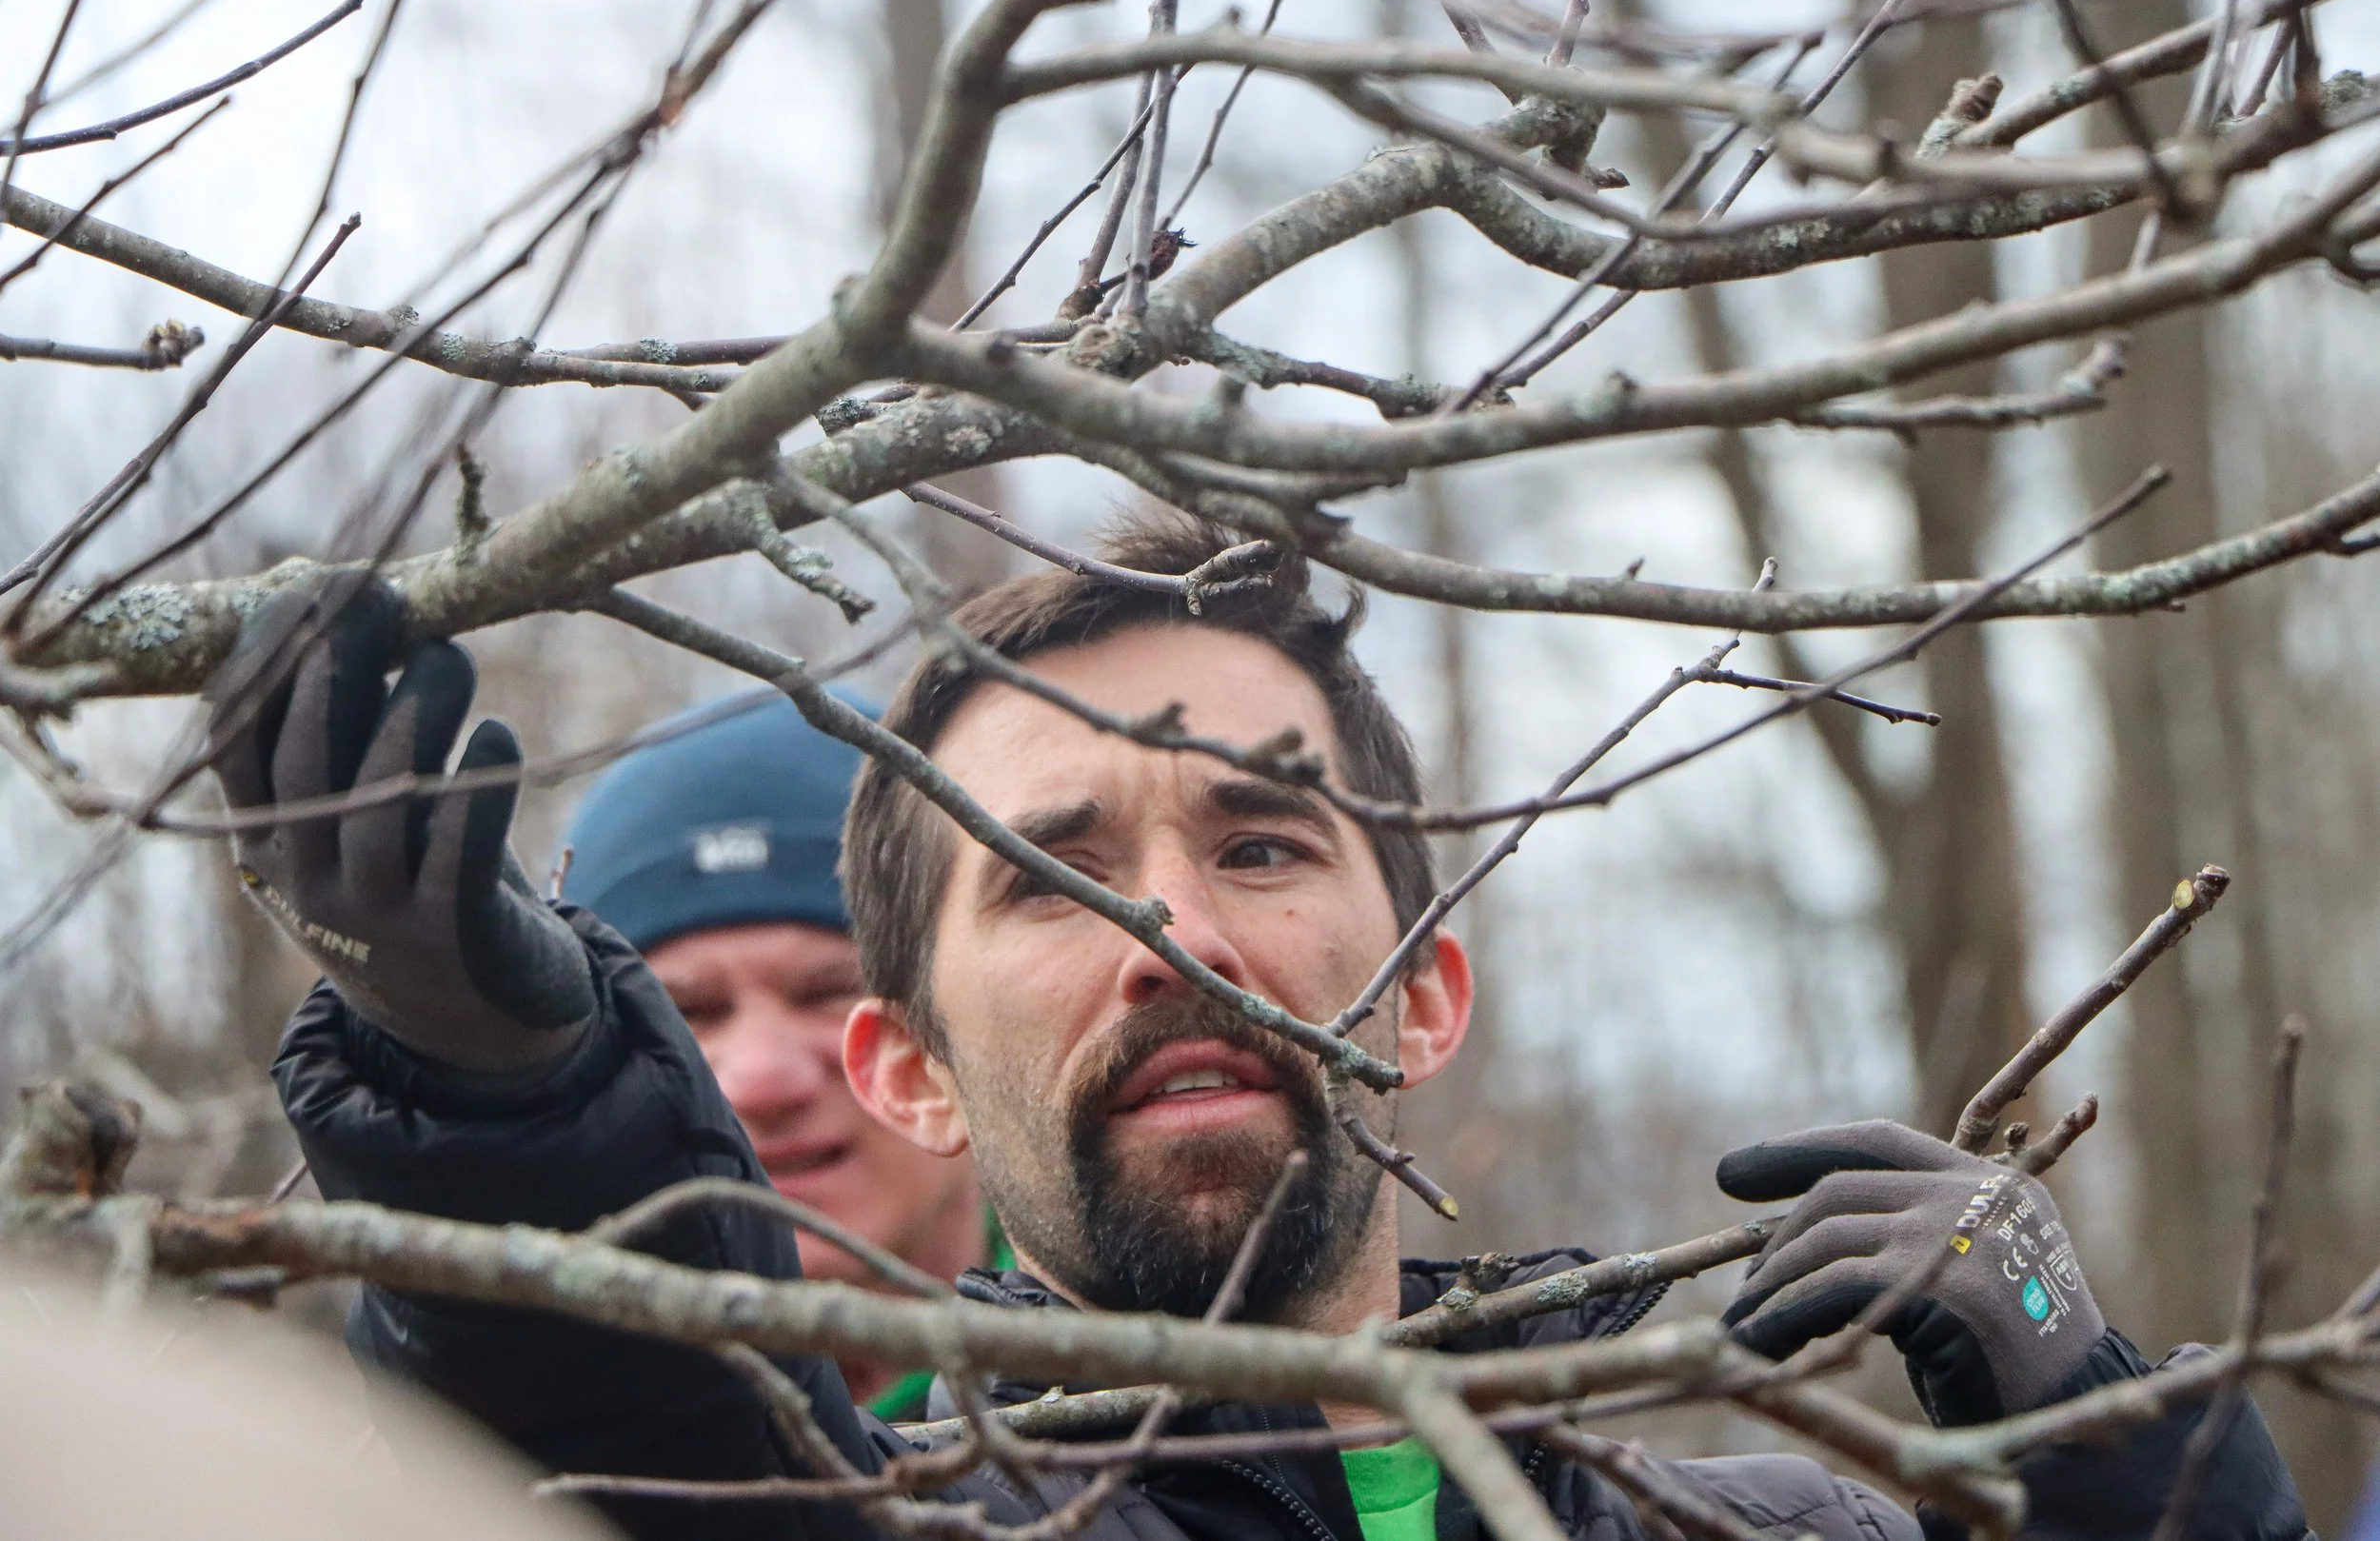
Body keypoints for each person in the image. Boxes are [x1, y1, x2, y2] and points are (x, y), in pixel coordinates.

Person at [207, 532, 2311, 1541]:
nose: (1174, 929)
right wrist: (489, 1070)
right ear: (908, 1067)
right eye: (1050, 871)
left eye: (1258, 835)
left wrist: (2114, 1444)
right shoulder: (889, 1518)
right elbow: (665, 1446)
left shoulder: (1783, 1533)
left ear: (1419, 994)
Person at [554, 691, 1006, 1415]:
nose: (763, 1081)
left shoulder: (1182, 1411)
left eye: (833, 991)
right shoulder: (495, 1452)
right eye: (685, 1012)